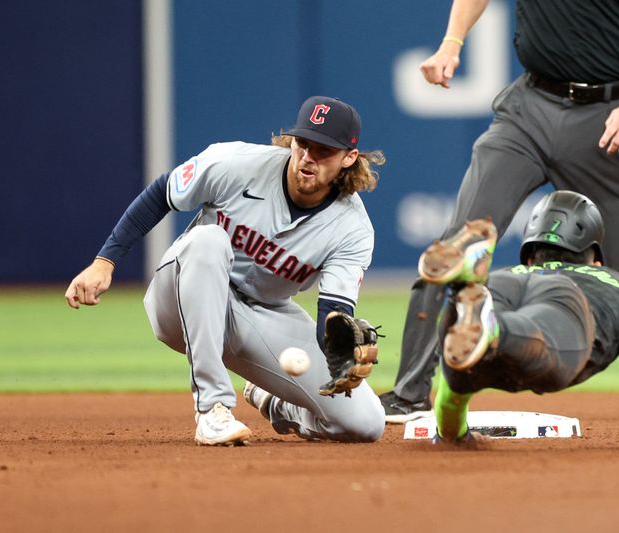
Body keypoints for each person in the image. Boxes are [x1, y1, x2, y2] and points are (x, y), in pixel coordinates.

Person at [380, 0, 619, 422]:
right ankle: (411, 393)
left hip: (614, 115)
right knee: (458, 245)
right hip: (530, 108)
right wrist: (451, 42)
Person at [65, 96, 387, 445]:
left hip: (260, 316)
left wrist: (340, 341)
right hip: (180, 299)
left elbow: (332, 312)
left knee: (365, 423)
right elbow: (162, 193)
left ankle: (277, 404)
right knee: (209, 240)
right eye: (302, 144)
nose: (308, 157)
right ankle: (212, 409)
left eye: (323, 150)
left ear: (349, 158)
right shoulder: (236, 163)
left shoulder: (352, 227)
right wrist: (104, 262)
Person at [419, 191, 619, 444]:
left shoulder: (508, 276)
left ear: (530, 256)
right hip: (562, 301)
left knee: (467, 336)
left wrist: (454, 436)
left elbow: (452, 392)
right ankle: (495, 330)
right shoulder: (615, 285)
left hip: (497, 286)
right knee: (538, 334)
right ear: (595, 258)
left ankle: (462, 285)